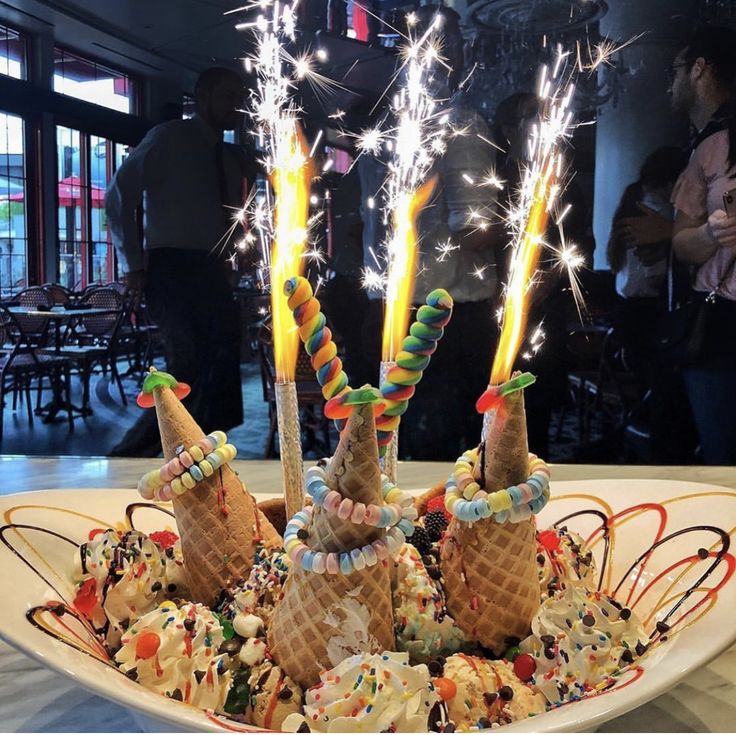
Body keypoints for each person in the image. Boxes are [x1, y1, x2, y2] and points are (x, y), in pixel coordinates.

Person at [358, 5, 500, 460]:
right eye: (457, 45)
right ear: (451, 55)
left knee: (397, 441)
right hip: (448, 318)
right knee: (451, 452)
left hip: (388, 307)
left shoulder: (382, 127)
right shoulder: (462, 123)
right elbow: (474, 231)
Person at [106, 67, 254, 456]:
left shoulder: (230, 155)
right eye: (227, 96)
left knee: (222, 362)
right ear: (202, 96)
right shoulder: (169, 138)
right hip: (171, 266)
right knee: (185, 364)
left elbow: (233, 214)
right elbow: (119, 196)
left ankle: (206, 450)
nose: (236, 105)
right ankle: (130, 454)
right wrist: (133, 264)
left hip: (211, 267)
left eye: (239, 97)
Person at [492, 92, 592, 459]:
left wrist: (550, 278)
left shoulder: (565, 186)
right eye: (531, 116)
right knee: (492, 408)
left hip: (546, 315)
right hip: (491, 315)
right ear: (509, 130)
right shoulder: (495, 182)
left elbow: (580, 246)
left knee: (536, 410)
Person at [670, 27, 736, 464]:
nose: (668, 82)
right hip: (722, 323)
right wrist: (712, 234)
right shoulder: (714, 146)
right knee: (723, 456)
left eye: (672, 70)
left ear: (698, 68)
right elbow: (682, 243)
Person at [607, 146, 689, 397]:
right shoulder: (657, 213)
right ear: (671, 182)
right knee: (659, 389)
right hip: (647, 313)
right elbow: (654, 277)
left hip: (625, 309)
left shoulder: (633, 202)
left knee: (648, 388)